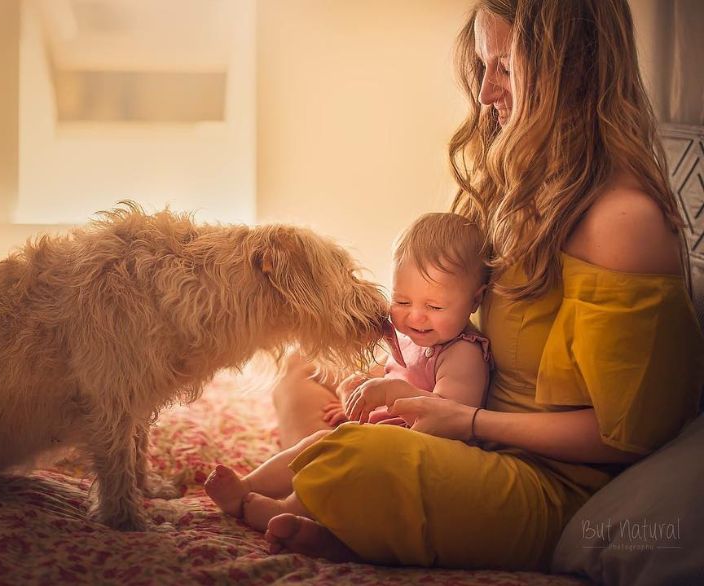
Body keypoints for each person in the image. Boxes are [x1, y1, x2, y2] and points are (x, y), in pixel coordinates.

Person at [258, 0, 704, 571]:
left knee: (358, 457)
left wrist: (465, 421)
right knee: (304, 368)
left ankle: (339, 498)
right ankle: (340, 504)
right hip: (467, 425)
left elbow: (630, 436)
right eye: (483, 66)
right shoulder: (527, 179)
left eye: (506, 68)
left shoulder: (621, 223)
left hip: (546, 479)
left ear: (571, 69)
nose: (487, 92)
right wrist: (398, 376)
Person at [204, 213, 492, 525]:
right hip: (384, 437)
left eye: (435, 307)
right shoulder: (418, 338)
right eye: (402, 302)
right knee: (315, 444)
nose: (415, 318)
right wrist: (361, 393)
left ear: (475, 300)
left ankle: (289, 508)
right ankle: (249, 486)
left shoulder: (463, 352)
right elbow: (394, 372)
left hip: (418, 458)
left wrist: (393, 394)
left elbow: (452, 419)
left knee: (337, 460)